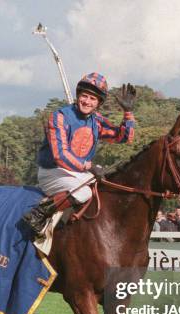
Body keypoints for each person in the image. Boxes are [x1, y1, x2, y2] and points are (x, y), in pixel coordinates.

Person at [23, 73, 137, 236]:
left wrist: (128, 113)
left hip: (78, 173)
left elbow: (123, 136)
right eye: (85, 96)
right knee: (83, 193)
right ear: (78, 96)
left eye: (93, 99)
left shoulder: (96, 121)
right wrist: (88, 166)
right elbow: (60, 156)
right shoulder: (59, 117)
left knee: (105, 189)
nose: (87, 102)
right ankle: (39, 213)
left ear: (98, 103)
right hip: (53, 172)